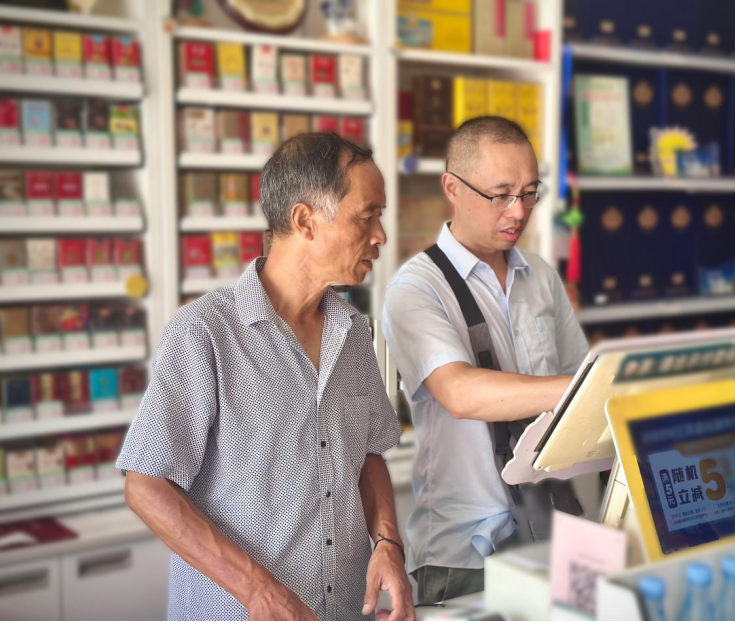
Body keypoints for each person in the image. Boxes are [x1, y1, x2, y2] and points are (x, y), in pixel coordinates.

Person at [117, 133, 415, 621]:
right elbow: (145, 486)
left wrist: (387, 543)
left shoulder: (355, 334)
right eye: (367, 216)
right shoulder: (205, 332)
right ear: (305, 220)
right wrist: (258, 591)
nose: (380, 235)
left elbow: (367, 454)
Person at [382, 117, 590, 605]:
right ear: (452, 188)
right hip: (466, 552)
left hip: (554, 526)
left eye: (530, 194)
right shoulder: (416, 287)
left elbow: (579, 377)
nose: (518, 211)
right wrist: (590, 385)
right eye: (501, 195)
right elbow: (461, 393)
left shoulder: (541, 277)